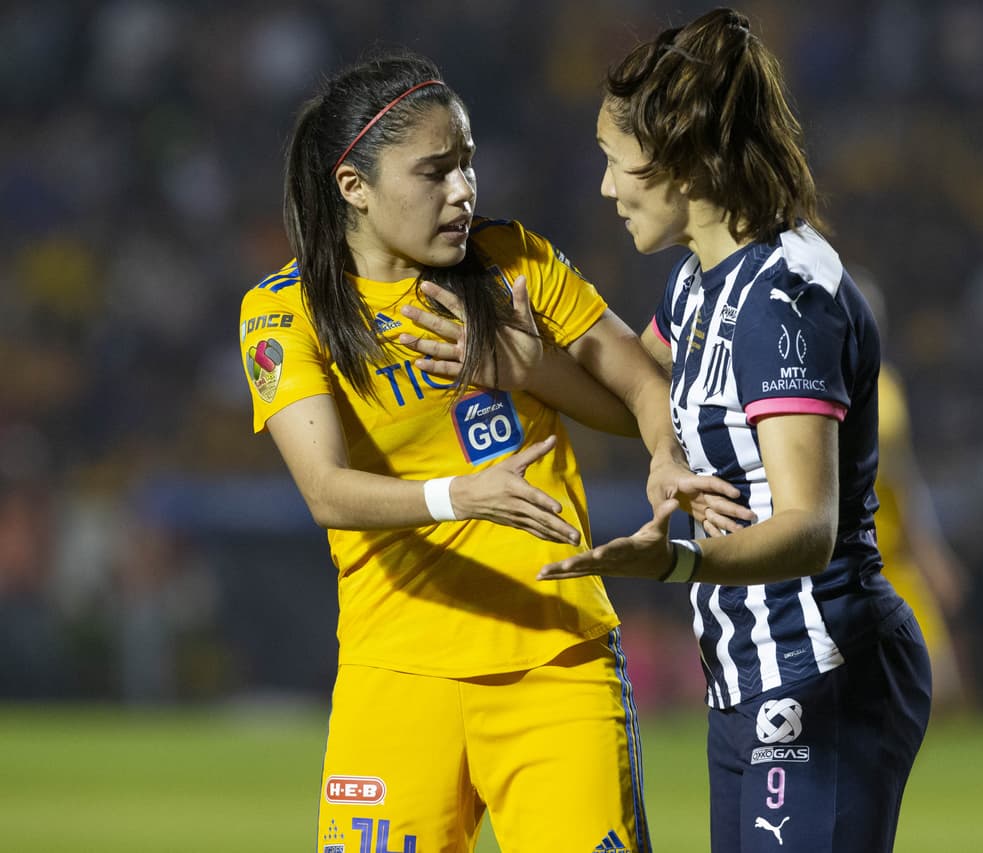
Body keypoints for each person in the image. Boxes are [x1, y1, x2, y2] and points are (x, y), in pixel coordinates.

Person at [239, 50, 746, 853]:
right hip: (395, 673)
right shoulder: (286, 311)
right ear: (354, 188)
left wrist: (555, 385)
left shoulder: (515, 261)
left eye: (468, 164)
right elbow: (326, 491)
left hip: (557, 659)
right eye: (435, 171)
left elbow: (648, 391)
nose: (463, 190)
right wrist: (458, 494)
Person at [538, 9, 932, 851]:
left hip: (821, 670)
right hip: (749, 676)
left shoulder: (783, 303)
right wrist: (502, 359)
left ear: (681, 161)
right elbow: (635, 391)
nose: (606, 189)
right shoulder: (697, 284)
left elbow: (807, 527)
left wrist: (674, 560)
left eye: (618, 164)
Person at [860, 277, 971, 712]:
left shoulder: (886, 386)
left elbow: (904, 477)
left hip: (893, 560)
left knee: (940, 685)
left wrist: (931, 552)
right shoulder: (808, 386)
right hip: (842, 563)